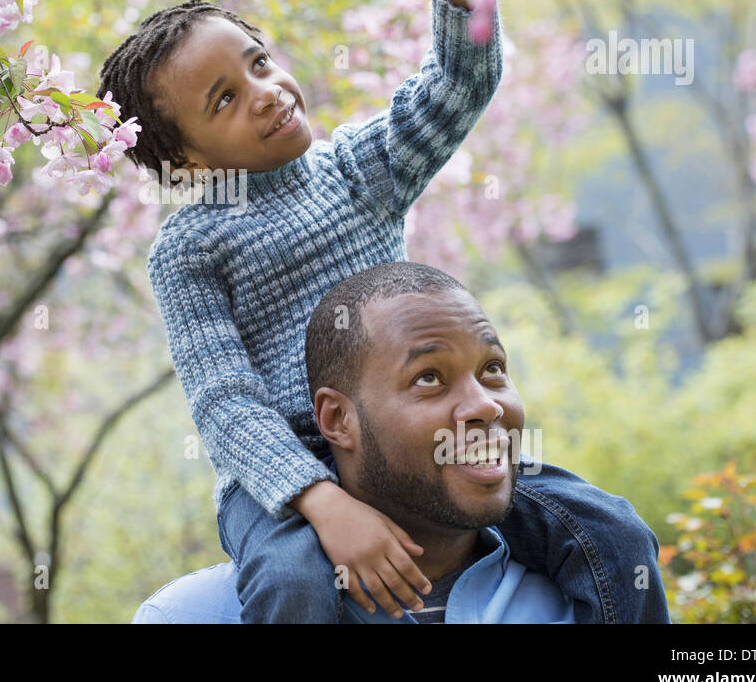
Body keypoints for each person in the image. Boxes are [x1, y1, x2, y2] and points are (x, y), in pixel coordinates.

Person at [100, 0, 665, 623]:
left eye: (259, 61)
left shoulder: (355, 166)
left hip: (419, 434)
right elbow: (225, 401)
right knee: (297, 584)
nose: (265, 89)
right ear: (186, 162)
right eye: (224, 98)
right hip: (283, 476)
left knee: (613, 534)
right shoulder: (189, 250)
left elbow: (457, 85)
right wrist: (321, 502)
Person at [132, 263, 670, 623]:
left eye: (494, 369)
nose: (485, 404)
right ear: (338, 420)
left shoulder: (586, 591)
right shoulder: (192, 615)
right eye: (429, 378)